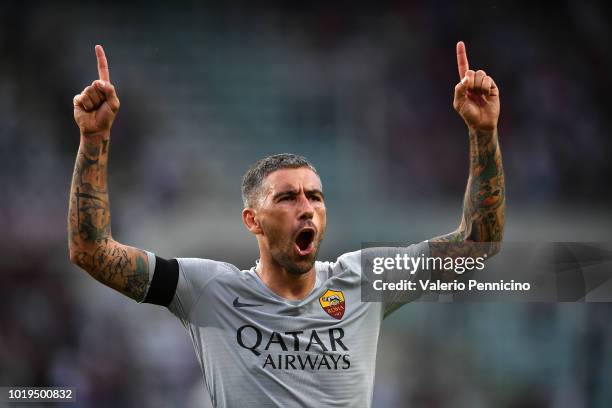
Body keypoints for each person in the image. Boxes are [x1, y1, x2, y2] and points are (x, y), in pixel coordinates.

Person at [68, 42, 505, 407]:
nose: (307, 207)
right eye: (287, 197)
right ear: (252, 220)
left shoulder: (364, 280)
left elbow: (478, 244)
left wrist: (483, 133)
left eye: (315, 196)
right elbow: (92, 252)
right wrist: (94, 138)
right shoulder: (209, 290)